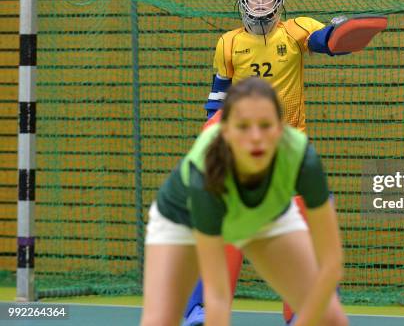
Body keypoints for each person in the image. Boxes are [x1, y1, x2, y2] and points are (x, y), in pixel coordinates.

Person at [185, 0, 384, 325]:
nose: (260, 2)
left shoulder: (295, 30)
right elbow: (217, 98)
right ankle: (202, 311)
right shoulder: (228, 43)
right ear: (243, 2)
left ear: (278, 1)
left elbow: (326, 41)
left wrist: (341, 32)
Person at [141, 77, 348, 326]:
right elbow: (216, 295)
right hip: (181, 219)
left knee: (331, 317)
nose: (256, 137)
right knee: (161, 318)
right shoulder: (204, 177)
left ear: (281, 127)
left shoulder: (303, 159)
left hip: (263, 211)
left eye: (265, 125)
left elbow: (331, 265)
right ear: (226, 131)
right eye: (244, 126)